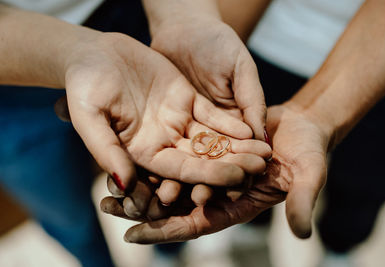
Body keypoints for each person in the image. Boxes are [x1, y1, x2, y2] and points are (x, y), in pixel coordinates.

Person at [103, 0, 385, 249]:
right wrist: (199, 36)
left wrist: (316, 115)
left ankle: (340, 247)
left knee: (362, 187)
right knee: (253, 172)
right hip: (266, 41)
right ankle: (251, 236)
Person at [0, 0, 272, 266]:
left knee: (171, 195)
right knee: (66, 214)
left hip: (138, 26)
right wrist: (77, 54)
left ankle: (167, 254)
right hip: (12, 66)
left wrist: (183, 16)